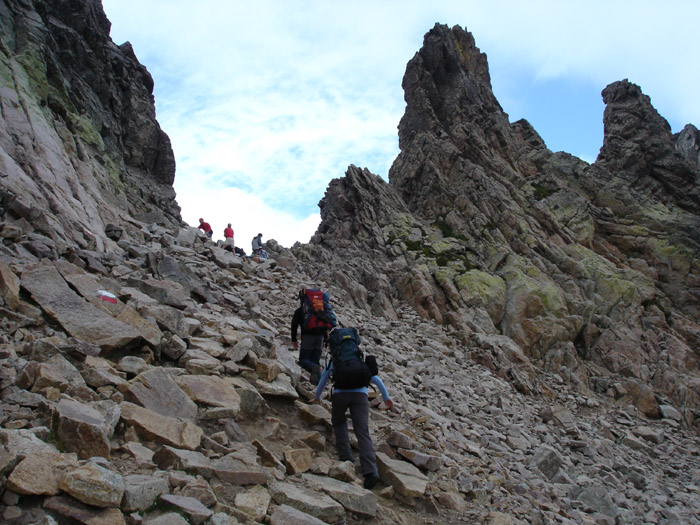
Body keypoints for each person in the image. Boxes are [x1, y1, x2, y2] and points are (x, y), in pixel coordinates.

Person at [312, 355, 394, 490]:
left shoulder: (336, 360)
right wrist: (386, 398)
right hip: (360, 396)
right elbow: (375, 379)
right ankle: (371, 471)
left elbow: (324, 378)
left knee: (339, 423)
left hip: (340, 395)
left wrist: (317, 396)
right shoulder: (359, 360)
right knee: (362, 431)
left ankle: (346, 459)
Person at [291, 289, 336, 385]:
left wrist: (294, 340)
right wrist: (325, 340)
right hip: (320, 338)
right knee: (315, 360)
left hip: (308, 336)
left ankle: (314, 371)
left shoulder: (301, 311)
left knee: (303, 360)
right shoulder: (322, 311)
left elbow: (294, 325)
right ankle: (317, 384)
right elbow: (327, 324)